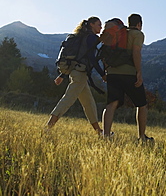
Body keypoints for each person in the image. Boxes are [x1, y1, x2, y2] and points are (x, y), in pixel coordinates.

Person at [45, 17, 106, 134]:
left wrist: (63, 75)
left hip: (77, 73)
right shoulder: (91, 38)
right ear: (92, 25)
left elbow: (76, 59)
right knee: (68, 99)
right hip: (80, 74)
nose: (101, 27)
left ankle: (99, 131)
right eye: (99, 24)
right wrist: (103, 74)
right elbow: (92, 59)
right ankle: (48, 127)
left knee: (89, 103)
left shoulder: (81, 37)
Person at [102, 14, 152, 142]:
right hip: (129, 73)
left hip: (112, 73)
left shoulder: (118, 34)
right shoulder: (138, 34)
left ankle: (106, 136)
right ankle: (141, 137)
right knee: (142, 105)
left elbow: (105, 52)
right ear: (139, 24)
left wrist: (107, 70)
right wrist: (139, 72)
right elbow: (136, 52)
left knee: (111, 104)